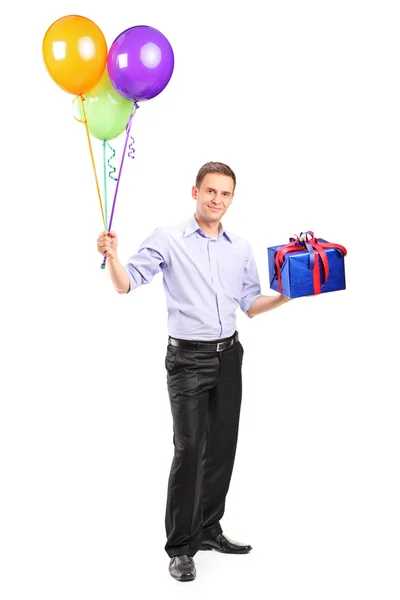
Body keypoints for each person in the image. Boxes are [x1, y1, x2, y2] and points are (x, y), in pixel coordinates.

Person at [97, 161, 291, 582]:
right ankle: (180, 547)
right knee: (188, 450)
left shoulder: (239, 247)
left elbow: (251, 304)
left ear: (231, 199)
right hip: (187, 360)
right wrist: (112, 256)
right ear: (195, 192)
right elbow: (125, 283)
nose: (217, 200)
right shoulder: (168, 239)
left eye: (225, 194)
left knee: (222, 447)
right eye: (210, 192)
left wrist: (286, 296)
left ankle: (207, 529)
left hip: (229, 357)